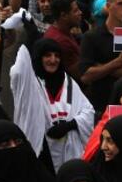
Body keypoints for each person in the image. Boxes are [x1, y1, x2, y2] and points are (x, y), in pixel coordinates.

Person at [11, 39, 95, 172]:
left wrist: (71, 124)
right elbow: (17, 72)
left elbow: (88, 111)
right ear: (39, 57)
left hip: (69, 148)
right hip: (42, 150)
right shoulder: (30, 83)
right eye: (47, 55)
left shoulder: (68, 81)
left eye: (57, 56)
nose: (53, 60)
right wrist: (28, 40)